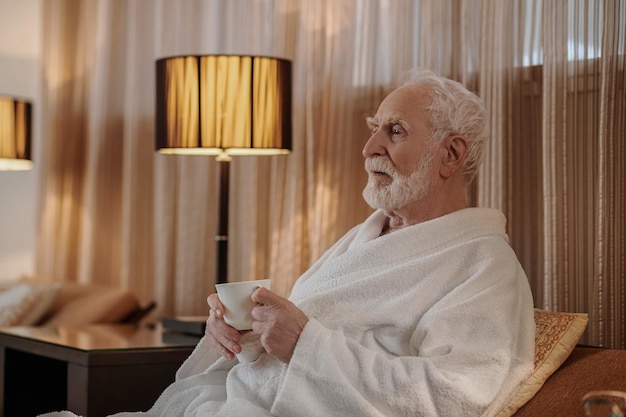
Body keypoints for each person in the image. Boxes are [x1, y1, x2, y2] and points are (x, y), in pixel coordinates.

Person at [48, 69, 535, 417]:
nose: (369, 150)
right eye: (373, 131)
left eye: (396, 131)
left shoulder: (482, 265)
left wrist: (308, 345)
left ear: (451, 154)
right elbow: (297, 338)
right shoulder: (363, 238)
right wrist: (242, 335)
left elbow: (455, 398)